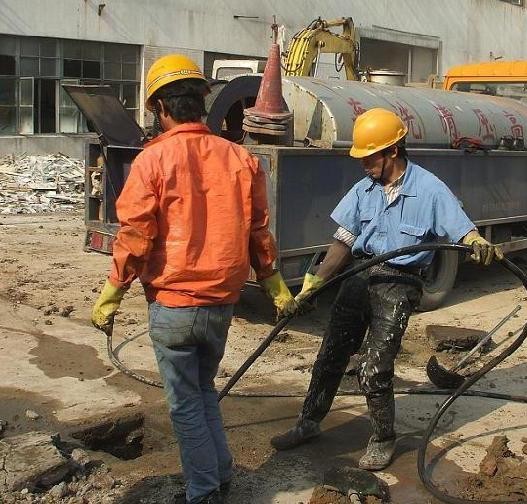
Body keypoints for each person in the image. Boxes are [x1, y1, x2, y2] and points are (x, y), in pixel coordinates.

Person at [90, 54, 298, 504]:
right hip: (222, 305)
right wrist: (276, 287)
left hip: (174, 307)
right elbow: (259, 233)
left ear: (159, 109)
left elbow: (136, 236)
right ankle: (220, 473)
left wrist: (110, 297)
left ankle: (204, 491)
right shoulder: (242, 159)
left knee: (185, 406)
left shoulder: (152, 161)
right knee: (203, 391)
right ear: (202, 105)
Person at [270, 108, 503, 470]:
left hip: (399, 282)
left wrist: (475, 240)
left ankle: (383, 438)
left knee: (375, 367)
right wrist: (310, 288)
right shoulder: (364, 189)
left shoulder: (429, 189)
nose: (363, 166)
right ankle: (309, 422)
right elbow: (342, 243)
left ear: (392, 151)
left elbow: (461, 228)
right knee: (331, 354)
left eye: (369, 158)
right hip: (360, 275)